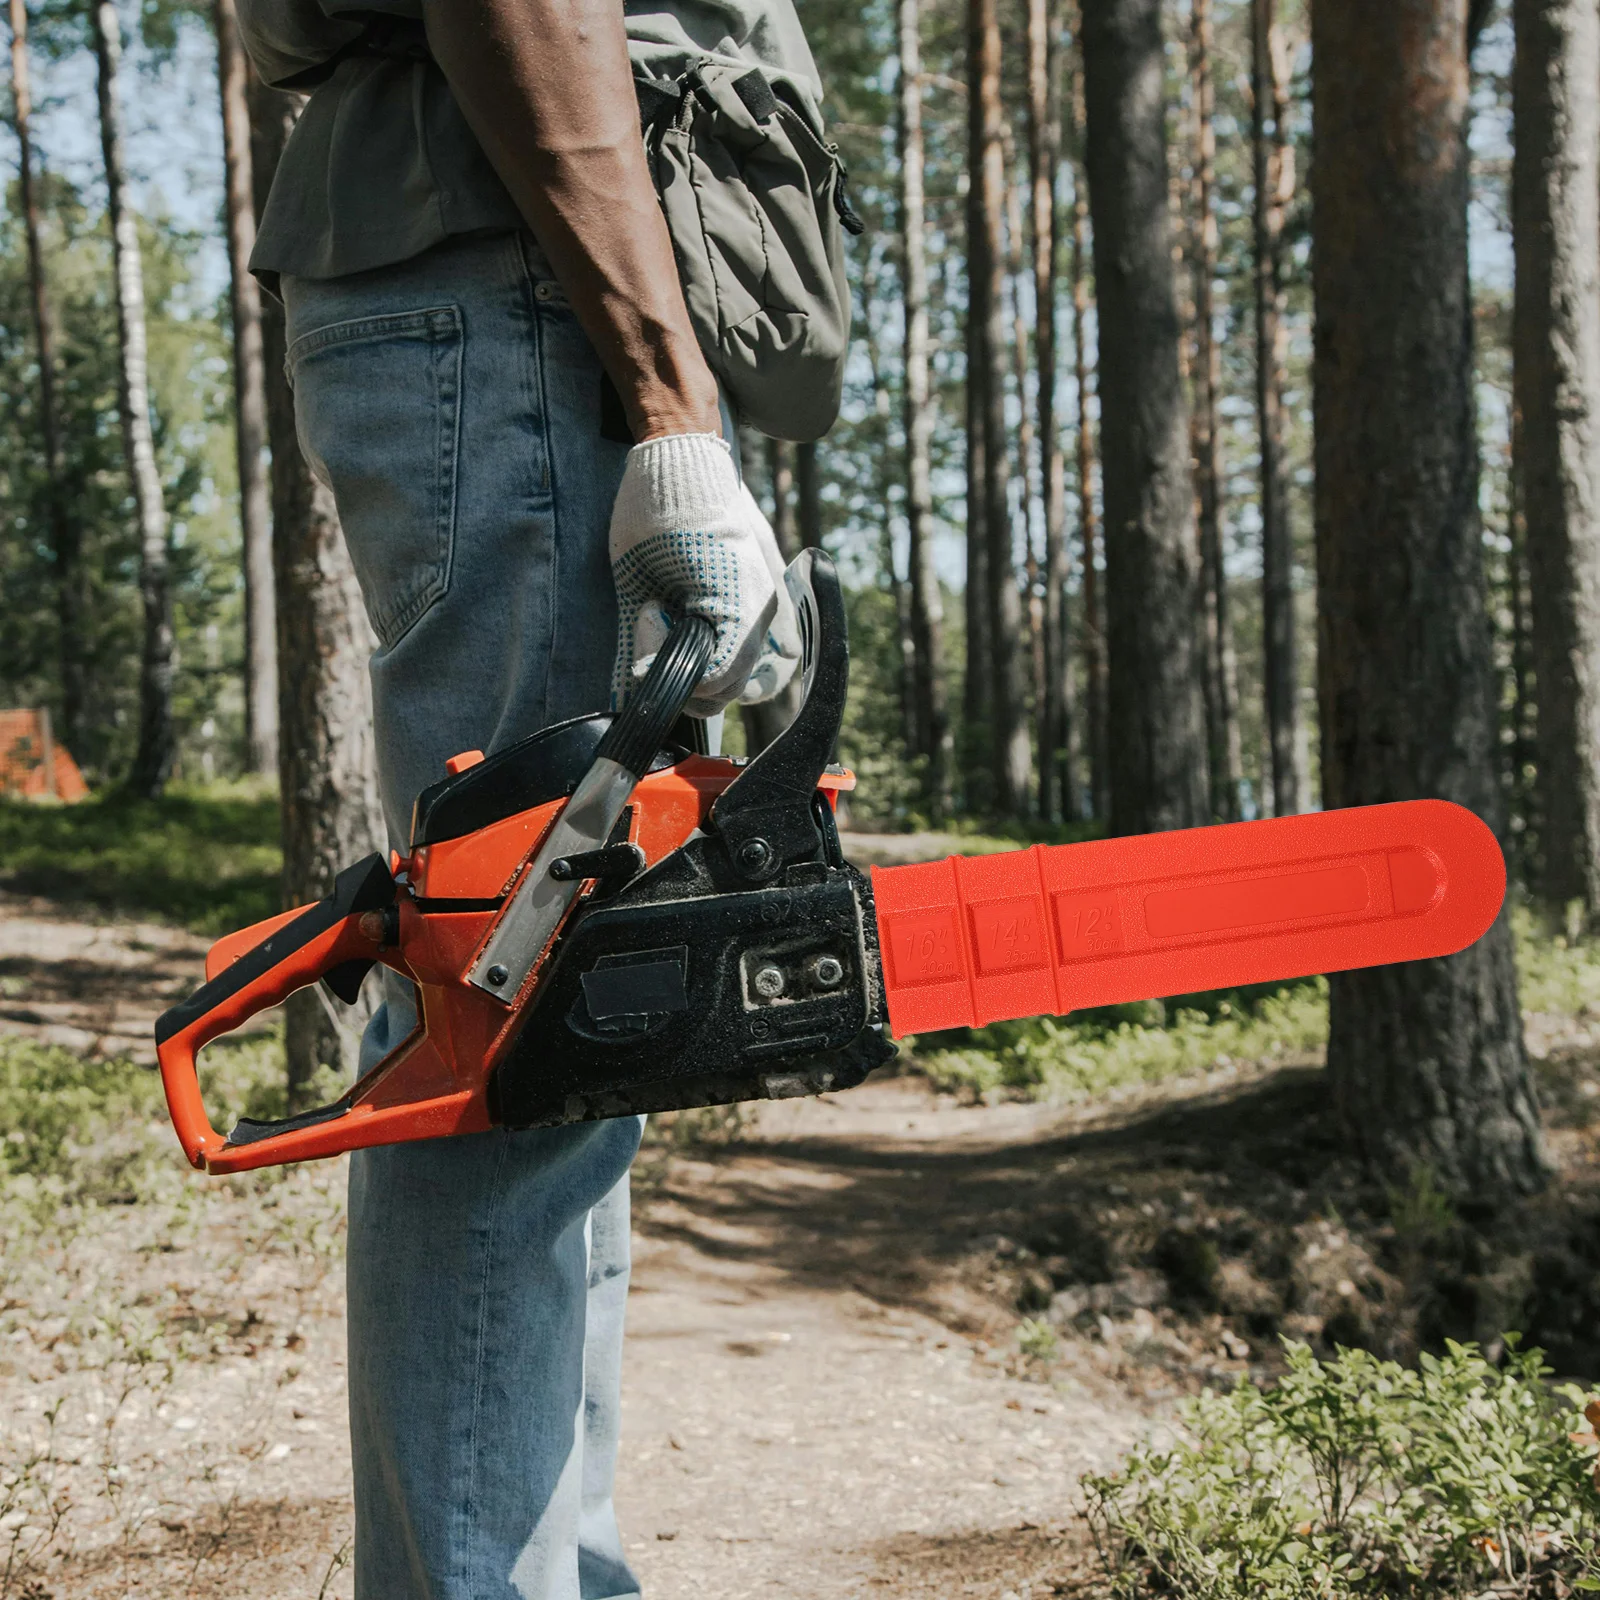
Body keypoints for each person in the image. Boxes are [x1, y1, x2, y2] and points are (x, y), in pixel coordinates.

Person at [237, 2, 794, 1594]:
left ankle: (539, 1570)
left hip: (510, 278)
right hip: (515, 287)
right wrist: (677, 415)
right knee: (509, 1002)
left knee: (557, 1030)